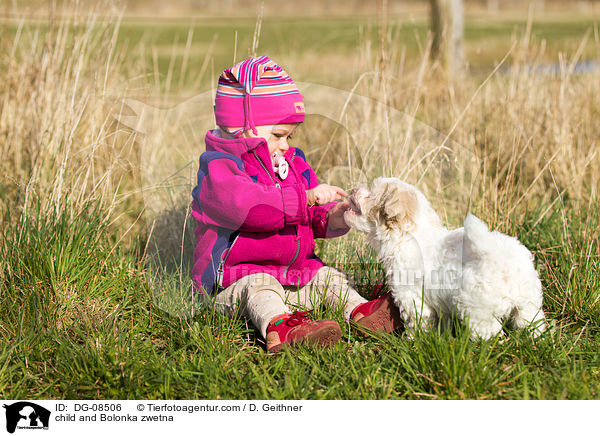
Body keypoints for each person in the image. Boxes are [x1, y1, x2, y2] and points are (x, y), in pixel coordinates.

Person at [191, 56, 401, 352]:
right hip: (233, 283)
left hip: (292, 276)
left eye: (290, 136)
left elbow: (308, 215)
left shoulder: (292, 162)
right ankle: (281, 327)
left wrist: (335, 217)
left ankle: (361, 312)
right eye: (278, 135)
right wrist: (305, 198)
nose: (286, 144)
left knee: (328, 277)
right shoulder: (220, 168)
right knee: (260, 286)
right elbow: (248, 209)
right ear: (242, 127)